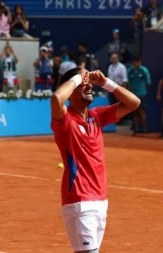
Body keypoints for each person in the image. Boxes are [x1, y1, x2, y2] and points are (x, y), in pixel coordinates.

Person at [51, 68, 140, 253]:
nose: (89, 85)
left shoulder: (97, 116)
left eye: (89, 82)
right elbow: (56, 98)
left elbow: (134, 103)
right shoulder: (64, 120)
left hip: (100, 201)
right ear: (72, 88)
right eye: (84, 82)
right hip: (79, 202)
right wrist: (78, 77)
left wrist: (107, 83)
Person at [127, 57, 151, 133]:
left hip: (142, 94)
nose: (136, 63)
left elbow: (148, 83)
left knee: (142, 111)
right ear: (133, 62)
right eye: (135, 62)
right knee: (135, 111)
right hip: (133, 94)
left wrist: (143, 91)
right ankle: (136, 129)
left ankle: (144, 129)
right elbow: (129, 83)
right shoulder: (130, 71)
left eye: (138, 62)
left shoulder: (144, 70)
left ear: (140, 62)